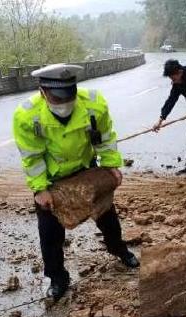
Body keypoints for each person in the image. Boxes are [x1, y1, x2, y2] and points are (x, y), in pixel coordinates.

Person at [12, 63, 139, 301]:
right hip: (52, 181)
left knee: (107, 217)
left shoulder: (93, 105)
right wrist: (40, 189)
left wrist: (111, 166)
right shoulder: (28, 116)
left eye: (68, 95)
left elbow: (105, 138)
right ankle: (57, 278)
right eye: (56, 97)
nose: (64, 103)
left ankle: (119, 250)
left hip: (86, 173)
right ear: (43, 91)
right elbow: (32, 157)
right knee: (50, 233)